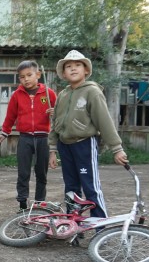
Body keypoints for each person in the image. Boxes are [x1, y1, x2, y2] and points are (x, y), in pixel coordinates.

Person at [48, 50, 128, 218]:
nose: (73, 68)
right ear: (63, 73)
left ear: (86, 70)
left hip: (84, 144)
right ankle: (73, 224)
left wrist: (117, 148)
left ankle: (101, 226)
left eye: (78, 65)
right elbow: (55, 123)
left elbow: (104, 121)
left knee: (90, 186)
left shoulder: (92, 92)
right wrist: (52, 149)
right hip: (64, 146)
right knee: (71, 188)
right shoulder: (63, 95)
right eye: (69, 66)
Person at [0, 60, 57, 210]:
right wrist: (4, 132)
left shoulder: (48, 93)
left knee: (41, 173)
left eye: (29, 75)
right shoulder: (17, 95)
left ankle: (39, 202)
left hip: (43, 138)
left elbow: (59, 114)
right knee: (23, 172)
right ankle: (22, 202)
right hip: (25, 138)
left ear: (38, 75)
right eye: (22, 77)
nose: (26, 79)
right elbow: (10, 116)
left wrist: (54, 113)